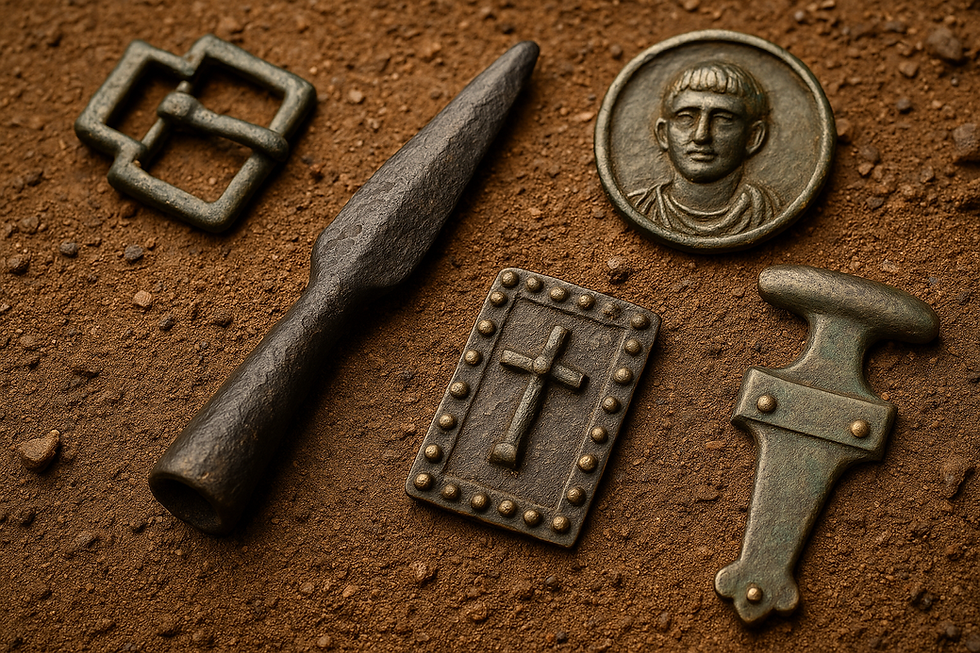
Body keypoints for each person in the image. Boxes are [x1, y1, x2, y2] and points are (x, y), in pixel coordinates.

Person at [630, 61, 779, 236]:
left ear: (753, 137)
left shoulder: (771, 211)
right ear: (663, 134)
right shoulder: (642, 207)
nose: (701, 136)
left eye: (723, 119)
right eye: (686, 117)